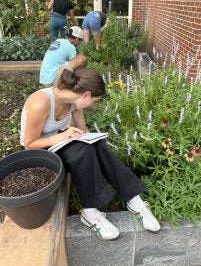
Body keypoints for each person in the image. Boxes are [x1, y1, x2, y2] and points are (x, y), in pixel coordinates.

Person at [20, 68, 160, 240]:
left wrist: (88, 138)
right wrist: (63, 135)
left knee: (96, 144)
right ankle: (90, 213)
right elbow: (29, 145)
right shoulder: (41, 102)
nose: (93, 105)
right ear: (86, 95)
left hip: (56, 144)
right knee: (83, 152)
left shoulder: (74, 102)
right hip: (37, 154)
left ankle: (134, 200)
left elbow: (83, 131)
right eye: (95, 100)